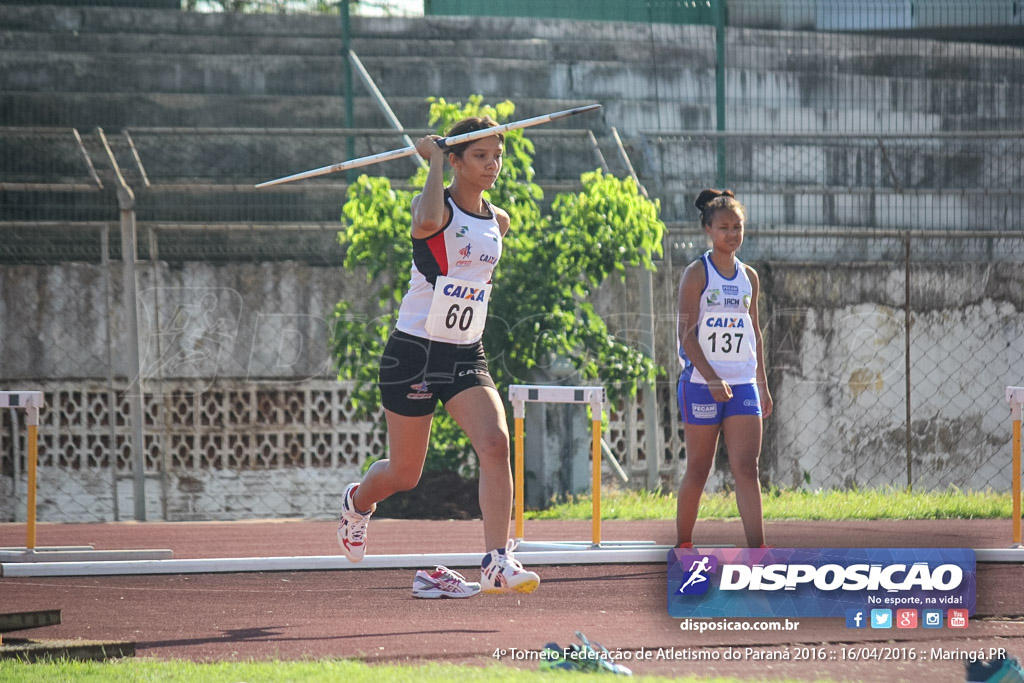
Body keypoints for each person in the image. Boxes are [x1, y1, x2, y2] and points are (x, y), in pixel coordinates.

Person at [336, 116, 540, 597]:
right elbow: (426, 224)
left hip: (466, 351)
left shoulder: (499, 221)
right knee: (405, 474)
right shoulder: (434, 205)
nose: (493, 165)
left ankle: (496, 560)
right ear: (455, 161)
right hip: (414, 352)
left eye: (498, 155)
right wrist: (429, 163)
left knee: (495, 443)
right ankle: (358, 502)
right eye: (481, 156)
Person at [674, 189, 773, 549]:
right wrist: (712, 378)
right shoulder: (697, 273)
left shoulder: (749, 277)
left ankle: (758, 550)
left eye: (738, 227)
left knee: (747, 468)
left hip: (742, 383)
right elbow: (685, 333)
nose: (732, 234)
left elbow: (754, 332)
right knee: (699, 469)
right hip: (702, 383)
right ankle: (684, 544)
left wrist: (762, 384)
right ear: (708, 230)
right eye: (724, 227)